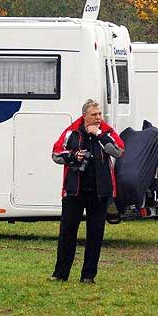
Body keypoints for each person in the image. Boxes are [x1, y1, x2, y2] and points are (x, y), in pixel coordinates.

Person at [50, 99, 124, 283]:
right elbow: (56, 153)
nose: (98, 117)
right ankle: (60, 274)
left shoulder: (106, 131)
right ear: (85, 116)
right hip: (74, 191)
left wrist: (99, 134)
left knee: (95, 234)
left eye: (99, 114)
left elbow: (119, 151)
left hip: (100, 192)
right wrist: (74, 155)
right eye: (94, 115)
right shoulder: (72, 132)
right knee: (67, 232)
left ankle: (88, 276)